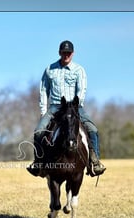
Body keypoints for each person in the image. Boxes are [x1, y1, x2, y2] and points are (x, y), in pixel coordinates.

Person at [27, 40, 106, 178]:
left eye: (68, 53)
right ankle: (38, 164)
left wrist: (75, 105)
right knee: (39, 132)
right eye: (64, 53)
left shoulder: (79, 70)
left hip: (75, 107)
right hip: (55, 107)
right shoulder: (50, 69)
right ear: (59, 52)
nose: (66, 55)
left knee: (93, 130)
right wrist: (42, 111)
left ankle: (95, 162)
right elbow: (43, 91)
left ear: (73, 53)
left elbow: (82, 90)